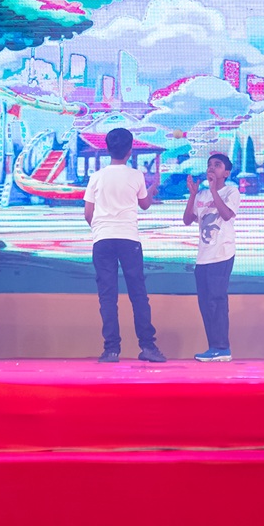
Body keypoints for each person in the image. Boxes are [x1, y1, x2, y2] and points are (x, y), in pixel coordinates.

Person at [85, 127, 165, 363]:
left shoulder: (96, 177)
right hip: (129, 239)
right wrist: (151, 190)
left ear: (107, 148)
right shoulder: (136, 175)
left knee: (107, 296)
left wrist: (101, 229)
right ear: (130, 150)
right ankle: (148, 347)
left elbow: (88, 213)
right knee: (138, 294)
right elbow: (145, 205)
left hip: (103, 240)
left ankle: (111, 350)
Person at [183, 151, 240, 362]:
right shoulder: (201, 195)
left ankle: (222, 347)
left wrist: (214, 189)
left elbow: (226, 215)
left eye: (217, 165)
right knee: (206, 303)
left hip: (222, 254)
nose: (211, 168)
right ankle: (213, 347)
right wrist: (192, 194)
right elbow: (187, 220)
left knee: (217, 301)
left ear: (226, 172)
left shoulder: (231, 191)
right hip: (203, 257)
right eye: (209, 165)